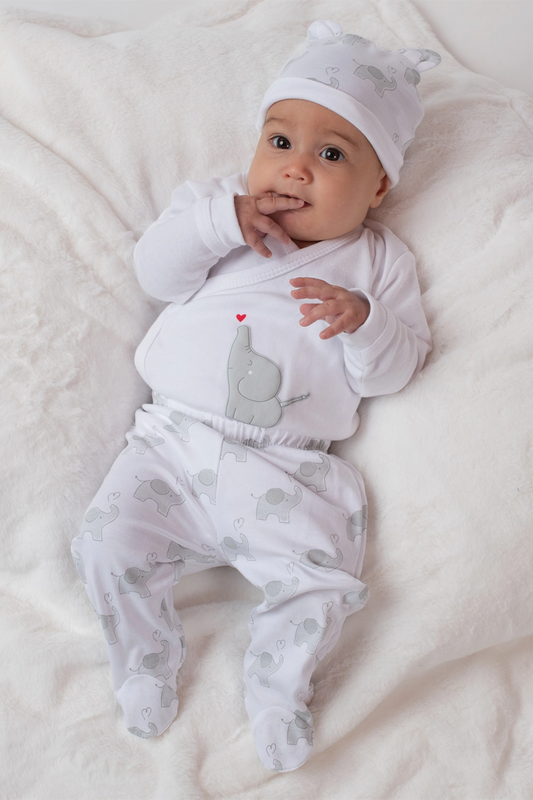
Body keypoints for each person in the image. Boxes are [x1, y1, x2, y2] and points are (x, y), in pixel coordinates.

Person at [71, 20, 440, 772]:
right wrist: (214, 224)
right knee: (105, 542)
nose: (295, 169)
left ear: (377, 185)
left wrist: (363, 323)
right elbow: (156, 273)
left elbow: (395, 370)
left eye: (330, 153)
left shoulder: (377, 264)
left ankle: (278, 692)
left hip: (286, 469)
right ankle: (143, 660)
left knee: (320, 581)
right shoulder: (218, 211)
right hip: (170, 444)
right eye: (279, 141)